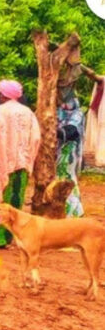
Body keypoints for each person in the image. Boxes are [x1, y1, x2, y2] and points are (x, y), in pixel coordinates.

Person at [0, 80, 41, 247]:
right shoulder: (28, 112)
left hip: (1, 164)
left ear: (2, 94)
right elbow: (36, 138)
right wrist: (29, 160)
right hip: (22, 165)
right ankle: (6, 237)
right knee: (14, 202)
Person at [56, 51, 103, 217]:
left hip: (68, 158)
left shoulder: (75, 113)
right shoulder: (56, 110)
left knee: (68, 184)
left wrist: (54, 131)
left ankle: (75, 214)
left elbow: (70, 133)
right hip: (56, 156)